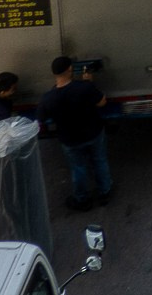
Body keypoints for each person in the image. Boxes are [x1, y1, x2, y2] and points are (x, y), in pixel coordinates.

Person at [39, 55, 111, 210]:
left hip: (70, 139)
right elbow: (102, 102)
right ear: (70, 69)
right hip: (93, 133)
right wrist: (89, 83)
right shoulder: (84, 87)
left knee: (78, 168)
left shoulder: (48, 98)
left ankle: (82, 199)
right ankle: (105, 192)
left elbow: (42, 118)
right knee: (100, 161)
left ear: (54, 73)